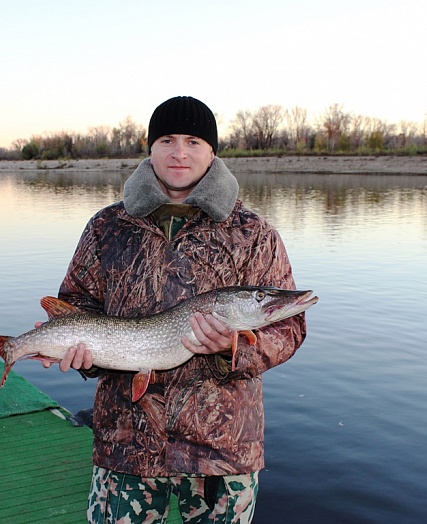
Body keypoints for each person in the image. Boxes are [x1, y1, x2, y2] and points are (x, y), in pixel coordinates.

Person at [44, 96, 307, 523]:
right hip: (126, 444)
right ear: (150, 148)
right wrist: (81, 358)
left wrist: (231, 349)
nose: (179, 152)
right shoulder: (107, 227)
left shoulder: (254, 233)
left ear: (212, 151)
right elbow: (77, 304)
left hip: (222, 450)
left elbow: (289, 329)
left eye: (193, 141)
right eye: (167, 139)